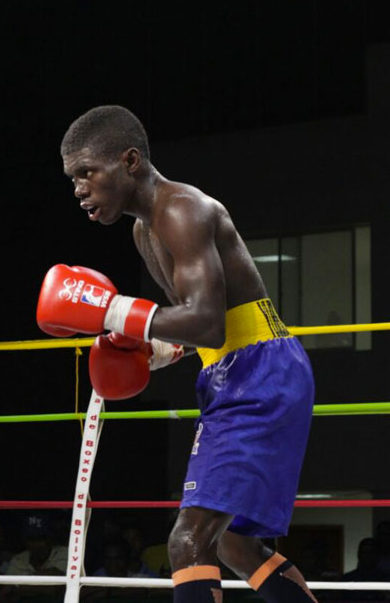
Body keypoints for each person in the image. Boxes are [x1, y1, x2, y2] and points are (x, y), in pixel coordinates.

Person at [37, 105, 316, 603]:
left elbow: (206, 319)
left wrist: (109, 309)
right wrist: (157, 351)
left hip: (261, 371)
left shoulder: (183, 208)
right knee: (231, 542)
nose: (78, 188)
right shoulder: (144, 231)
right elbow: (200, 327)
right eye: (72, 178)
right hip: (233, 371)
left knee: (187, 542)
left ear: (129, 161)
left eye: (86, 173)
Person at [0, 515, 68, 603]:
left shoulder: (64, 552)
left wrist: (19, 587)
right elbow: (6, 594)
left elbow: (54, 588)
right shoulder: (18, 560)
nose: (37, 544)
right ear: (25, 541)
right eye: (32, 539)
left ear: (50, 539)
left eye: (41, 538)